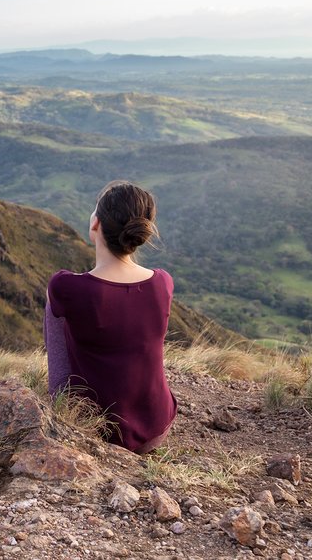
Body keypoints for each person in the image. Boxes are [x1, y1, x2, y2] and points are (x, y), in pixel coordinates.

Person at [44, 181, 177, 454]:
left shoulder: (67, 286)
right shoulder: (162, 282)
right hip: (156, 427)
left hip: (97, 430)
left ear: (96, 224)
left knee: (54, 303)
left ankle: (62, 402)